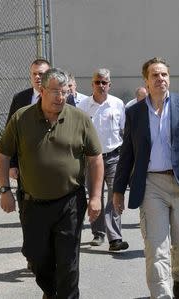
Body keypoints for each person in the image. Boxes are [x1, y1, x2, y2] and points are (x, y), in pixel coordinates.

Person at [0, 68, 104, 298]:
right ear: (42, 90)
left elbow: (95, 159)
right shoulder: (21, 117)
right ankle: (51, 291)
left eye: (64, 92)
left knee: (68, 264)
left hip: (70, 202)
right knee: (35, 257)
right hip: (33, 204)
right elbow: (2, 155)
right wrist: (4, 190)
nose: (60, 97)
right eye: (55, 91)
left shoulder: (79, 118)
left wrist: (95, 197)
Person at [113, 57, 179, 299]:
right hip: (151, 184)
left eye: (164, 74)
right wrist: (117, 191)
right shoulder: (134, 112)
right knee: (156, 248)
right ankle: (162, 294)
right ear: (146, 80)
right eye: (155, 75)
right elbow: (127, 153)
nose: (160, 79)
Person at [6, 58, 75, 270]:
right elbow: (11, 136)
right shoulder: (20, 99)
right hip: (27, 170)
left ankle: (50, 255)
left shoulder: (64, 99)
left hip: (57, 174)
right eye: (34, 73)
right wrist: (12, 163)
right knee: (28, 211)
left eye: (42, 73)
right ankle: (34, 253)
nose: (38, 77)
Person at [77, 68, 129, 251]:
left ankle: (115, 238)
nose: (101, 85)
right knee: (95, 195)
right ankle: (98, 233)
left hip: (114, 156)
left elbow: (124, 131)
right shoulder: (83, 106)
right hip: (91, 160)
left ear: (109, 84)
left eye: (104, 82)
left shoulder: (118, 104)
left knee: (115, 195)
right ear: (92, 84)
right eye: (97, 82)